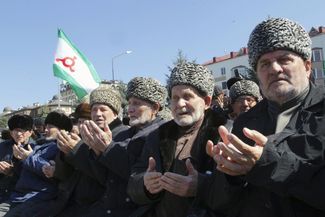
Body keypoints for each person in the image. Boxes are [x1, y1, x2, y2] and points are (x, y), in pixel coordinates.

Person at [207, 17, 325, 217]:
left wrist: (268, 163)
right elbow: (222, 203)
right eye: (264, 63)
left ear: (307, 66)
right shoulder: (244, 123)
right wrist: (230, 174)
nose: (274, 69)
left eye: (284, 59)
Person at [128, 62, 228, 217]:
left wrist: (200, 187)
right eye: (175, 98)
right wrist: (145, 184)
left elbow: (236, 192)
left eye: (187, 96)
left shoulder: (224, 133)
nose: (180, 104)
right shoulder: (158, 135)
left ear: (207, 102)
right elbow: (134, 180)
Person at [76, 76, 168, 217]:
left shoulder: (161, 134)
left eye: (136, 104)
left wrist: (107, 149)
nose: (130, 109)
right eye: (129, 103)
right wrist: (97, 151)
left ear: (155, 107)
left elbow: (135, 174)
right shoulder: (126, 133)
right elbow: (105, 178)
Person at [39, 84, 128, 217]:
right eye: (94, 109)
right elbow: (65, 175)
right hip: (71, 203)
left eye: (103, 109)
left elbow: (108, 177)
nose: (97, 114)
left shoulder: (124, 135)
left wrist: (76, 150)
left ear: (115, 112)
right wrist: (64, 154)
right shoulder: (84, 136)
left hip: (98, 208)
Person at [0, 111, 72, 217]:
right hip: (17, 197)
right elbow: (24, 173)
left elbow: (49, 171)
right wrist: (13, 168)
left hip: (37, 199)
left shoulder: (62, 148)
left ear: (62, 130)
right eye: (45, 126)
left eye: (50, 127)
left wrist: (27, 157)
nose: (45, 130)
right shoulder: (38, 146)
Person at [0, 115, 34, 203]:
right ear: (11, 133)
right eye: (15, 130)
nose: (18, 134)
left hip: (23, 196)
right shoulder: (2, 146)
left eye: (22, 130)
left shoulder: (37, 149)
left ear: (30, 132)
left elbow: (35, 177)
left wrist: (12, 172)